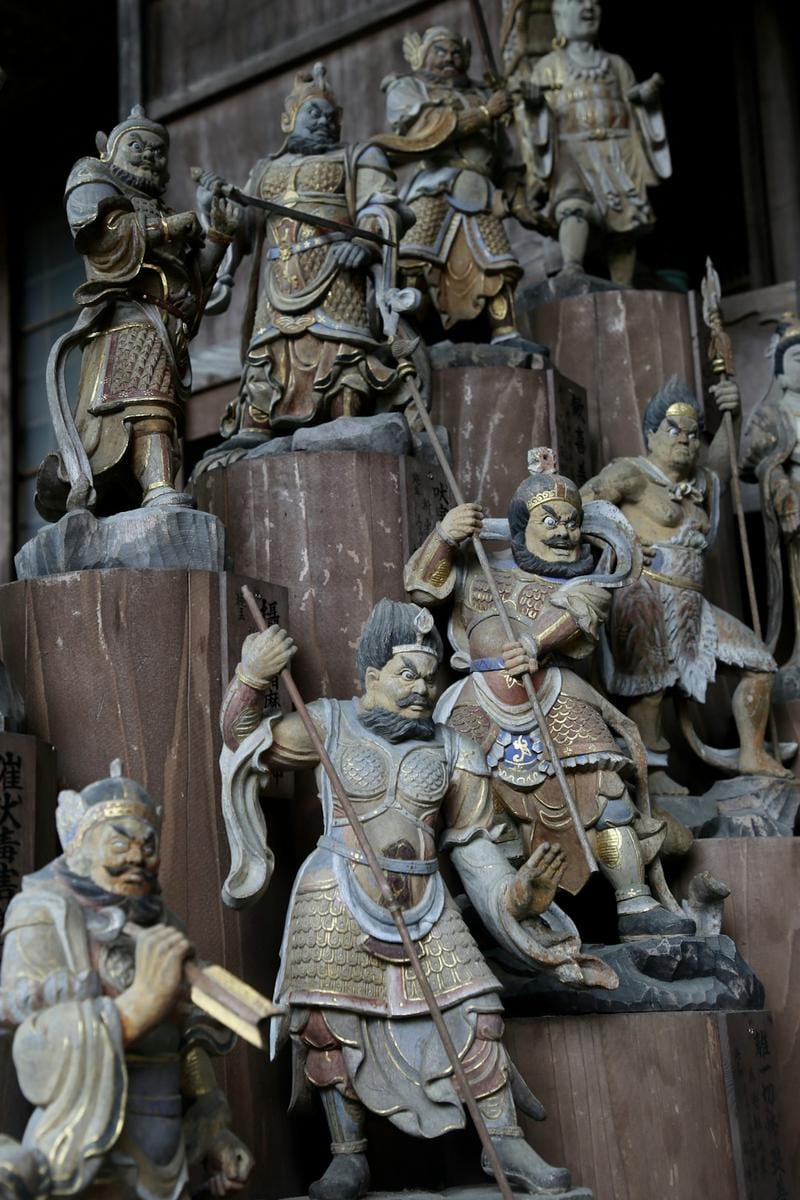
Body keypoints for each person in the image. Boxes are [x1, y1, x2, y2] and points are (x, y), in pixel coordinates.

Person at [219, 600, 604, 1200]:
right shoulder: (328, 723)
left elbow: (472, 845)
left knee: (478, 1011)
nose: (422, 689)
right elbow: (244, 741)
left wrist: (517, 894)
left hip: (426, 896)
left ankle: (506, 1142)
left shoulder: (455, 748)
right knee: (328, 1022)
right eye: (407, 675)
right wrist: (251, 677)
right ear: (371, 677)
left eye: (430, 677)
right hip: (338, 890)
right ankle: (348, 1155)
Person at [405, 449, 692, 936]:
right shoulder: (479, 565)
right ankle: (491, 901)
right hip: (480, 696)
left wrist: (534, 644)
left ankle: (634, 899)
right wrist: (445, 536)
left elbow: (581, 612)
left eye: (572, 522)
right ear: (522, 527)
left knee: (604, 791)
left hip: (555, 689)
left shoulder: (590, 579)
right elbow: (422, 589)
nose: (564, 531)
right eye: (550, 520)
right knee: (469, 796)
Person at [0, 763, 253, 1199]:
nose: (137, 857)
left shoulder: (165, 926)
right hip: (81, 1145)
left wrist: (214, 1131)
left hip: (167, 1152)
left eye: (148, 845)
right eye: (120, 843)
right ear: (80, 847)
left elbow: (186, 1038)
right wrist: (135, 1010)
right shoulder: (42, 913)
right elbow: (30, 1039)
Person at [195, 63, 413, 470]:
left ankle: (346, 412)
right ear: (288, 119)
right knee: (269, 351)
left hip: (336, 271)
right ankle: (256, 422)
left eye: (331, 117)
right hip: (279, 277)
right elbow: (244, 227)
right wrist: (215, 205)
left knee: (342, 348)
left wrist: (364, 242)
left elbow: (382, 205)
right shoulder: (264, 170)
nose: (323, 121)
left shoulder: (357, 156)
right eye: (313, 113)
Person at [582, 377, 789, 786]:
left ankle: (752, 754)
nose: (685, 439)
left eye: (693, 434)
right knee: (649, 687)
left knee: (760, 663)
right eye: (674, 429)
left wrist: (733, 413)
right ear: (651, 434)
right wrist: (619, 542)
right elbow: (580, 507)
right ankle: (654, 777)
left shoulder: (702, 483)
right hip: (643, 591)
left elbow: (723, 465)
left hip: (692, 602)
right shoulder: (631, 473)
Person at [36, 106, 240, 518]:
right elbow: (103, 242)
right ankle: (157, 486)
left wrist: (218, 237)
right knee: (146, 403)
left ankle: (153, 484)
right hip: (125, 318)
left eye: (158, 151)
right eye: (137, 146)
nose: (149, 155)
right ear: (110, 152)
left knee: (162, 406)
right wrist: (166, 230)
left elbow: (191, 282)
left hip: (166, 326)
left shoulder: (165, 211)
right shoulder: (96, 182)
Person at [382, 26, 542, 344]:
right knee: (413, 259)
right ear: (420, 56)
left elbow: (505, 159)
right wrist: (484, 113)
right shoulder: (408, 88)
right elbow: (428, 133)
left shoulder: (482, 93)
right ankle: (409, 337)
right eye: (440, 51)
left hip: (478, 190)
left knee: (497, 262)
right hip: (433, 185)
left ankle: (506, 331)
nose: (449, 58)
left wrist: (520, 202)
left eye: (456, 52)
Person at [507, 0, 670, 283]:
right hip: (571, 151)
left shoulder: (616, 65)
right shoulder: (549, 66)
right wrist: (535, 106)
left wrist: (645, 101)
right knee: (573, 204)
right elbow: (532, 119)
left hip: (618, 152)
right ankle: (572, 268)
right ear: (559, 16)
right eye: (578, 1)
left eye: (593, 2)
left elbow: (632, 103)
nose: (588, 7)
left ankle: (623, 284)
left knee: (626, 218)